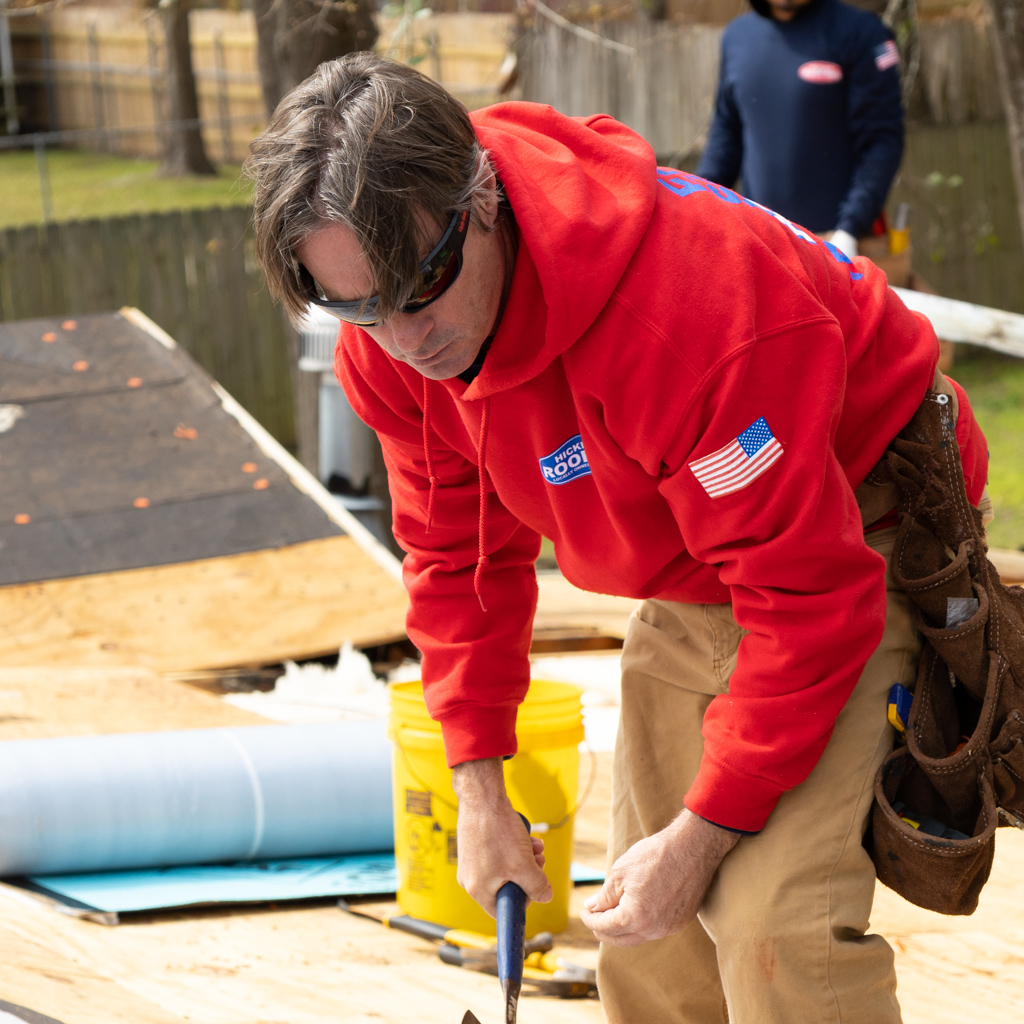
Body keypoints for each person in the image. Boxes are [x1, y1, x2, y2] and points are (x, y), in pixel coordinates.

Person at [244, 54, 989, 1024]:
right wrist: (477, 783)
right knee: (644, 930)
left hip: (855, 527)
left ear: (480, 198)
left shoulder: (691, 317)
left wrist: (705, 833)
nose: (402, 340)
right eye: (354, 306)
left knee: (773, 927)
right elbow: (456, 559)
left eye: (420, 287)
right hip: (699, 554)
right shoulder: (394, 338)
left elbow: (807, 598)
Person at [696, 0, 905, 261]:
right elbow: (725, 137)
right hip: (762, 249)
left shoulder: (861, 32)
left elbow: (881, 142)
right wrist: (696, 210)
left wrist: (849, 229)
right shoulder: (737, 37)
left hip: (842, 248)